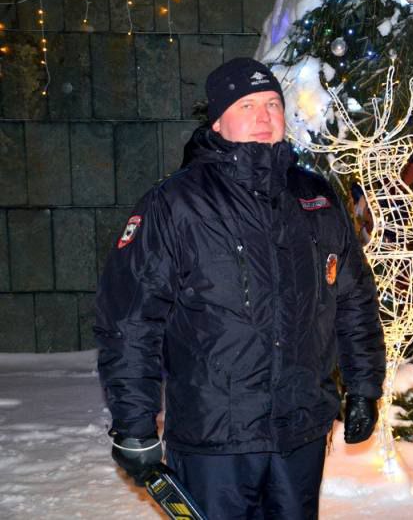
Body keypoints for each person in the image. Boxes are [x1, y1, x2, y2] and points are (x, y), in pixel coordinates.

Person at [95, 57, 386, 519]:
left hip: (300, 430)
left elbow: (353, 299)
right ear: (217, 121)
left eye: (273, 104)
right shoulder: (175, 205)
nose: (264, 116)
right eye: (247, 105)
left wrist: (364, 385)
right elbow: (131, 320)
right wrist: (134, 423)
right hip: (215, 438)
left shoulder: (315, 198)